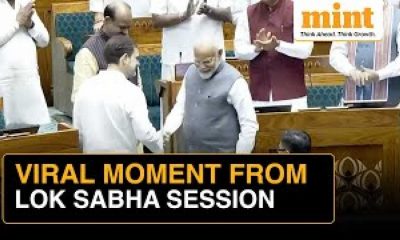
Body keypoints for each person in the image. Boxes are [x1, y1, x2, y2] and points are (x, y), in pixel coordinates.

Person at [163, 40, 259, 153]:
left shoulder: (235, 81)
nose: (202, 67)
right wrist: (168, 129)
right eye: (197, 62)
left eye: (207, 62)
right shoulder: (190, 72)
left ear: (219, 53)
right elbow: (180, 106)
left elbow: (249, 124)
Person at [73, 35, 163, 153]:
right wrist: (164, 148)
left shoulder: (84, 87)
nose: (138, 63)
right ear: (125, 58)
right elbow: (145, 135)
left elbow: (78, 133)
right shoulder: (132, 92)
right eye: (136, 58)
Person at [234, 0, 314, 111]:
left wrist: (278, 45)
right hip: (259, 97)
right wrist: (258, 48)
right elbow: (239, 51)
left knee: (295, 128)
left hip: (293, 96)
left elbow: (305, 50)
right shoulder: (248, 13)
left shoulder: (299, 10)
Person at [329, 0, 400, 106]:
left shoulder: (397, 18)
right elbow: (336, 54)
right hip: (353, 100)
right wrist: (351, 71)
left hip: (389, 103)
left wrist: (379, 75)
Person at [72, 1, 140, 103]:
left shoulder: (129, 44)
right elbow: (79, 98)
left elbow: (137, 83)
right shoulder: (88, 52)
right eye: (122, 27)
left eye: (128, 28)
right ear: (107, 20)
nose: (126, 33)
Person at [150, 0, 233, 81]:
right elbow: (156, 20)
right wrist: (184, 15)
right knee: (177, 92)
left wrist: (209, 10)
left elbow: (228, 15)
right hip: (178, 59)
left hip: (212, 59)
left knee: (216, 93)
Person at [0, 0, 50, 127]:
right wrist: (17, 22)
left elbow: (44, 40)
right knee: (7, 130)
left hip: (29, 76)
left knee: (35, 129)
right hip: (6, 78)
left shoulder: (24, 3)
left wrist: (30, 24)